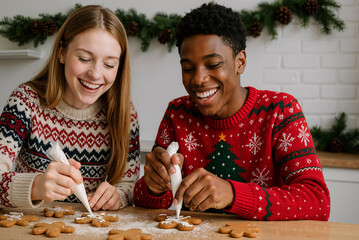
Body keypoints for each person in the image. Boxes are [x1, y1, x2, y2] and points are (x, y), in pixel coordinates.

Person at [134, 2, 330, 221]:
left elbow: (317, 202)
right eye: (188, 68)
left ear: (240, 62)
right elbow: (146, 201)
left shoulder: (280, 111)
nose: (198, 79)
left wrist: (233, 194)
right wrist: (154, 186)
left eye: (213, 64)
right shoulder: (177, 113)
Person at [0, 5, 139, 211]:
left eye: (109, 64)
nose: (95, 74)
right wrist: (35, 187)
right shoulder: (25, 102)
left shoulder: (124, 114)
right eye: (84, 59)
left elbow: (129, 185)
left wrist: (117, 195)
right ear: (62, 53)